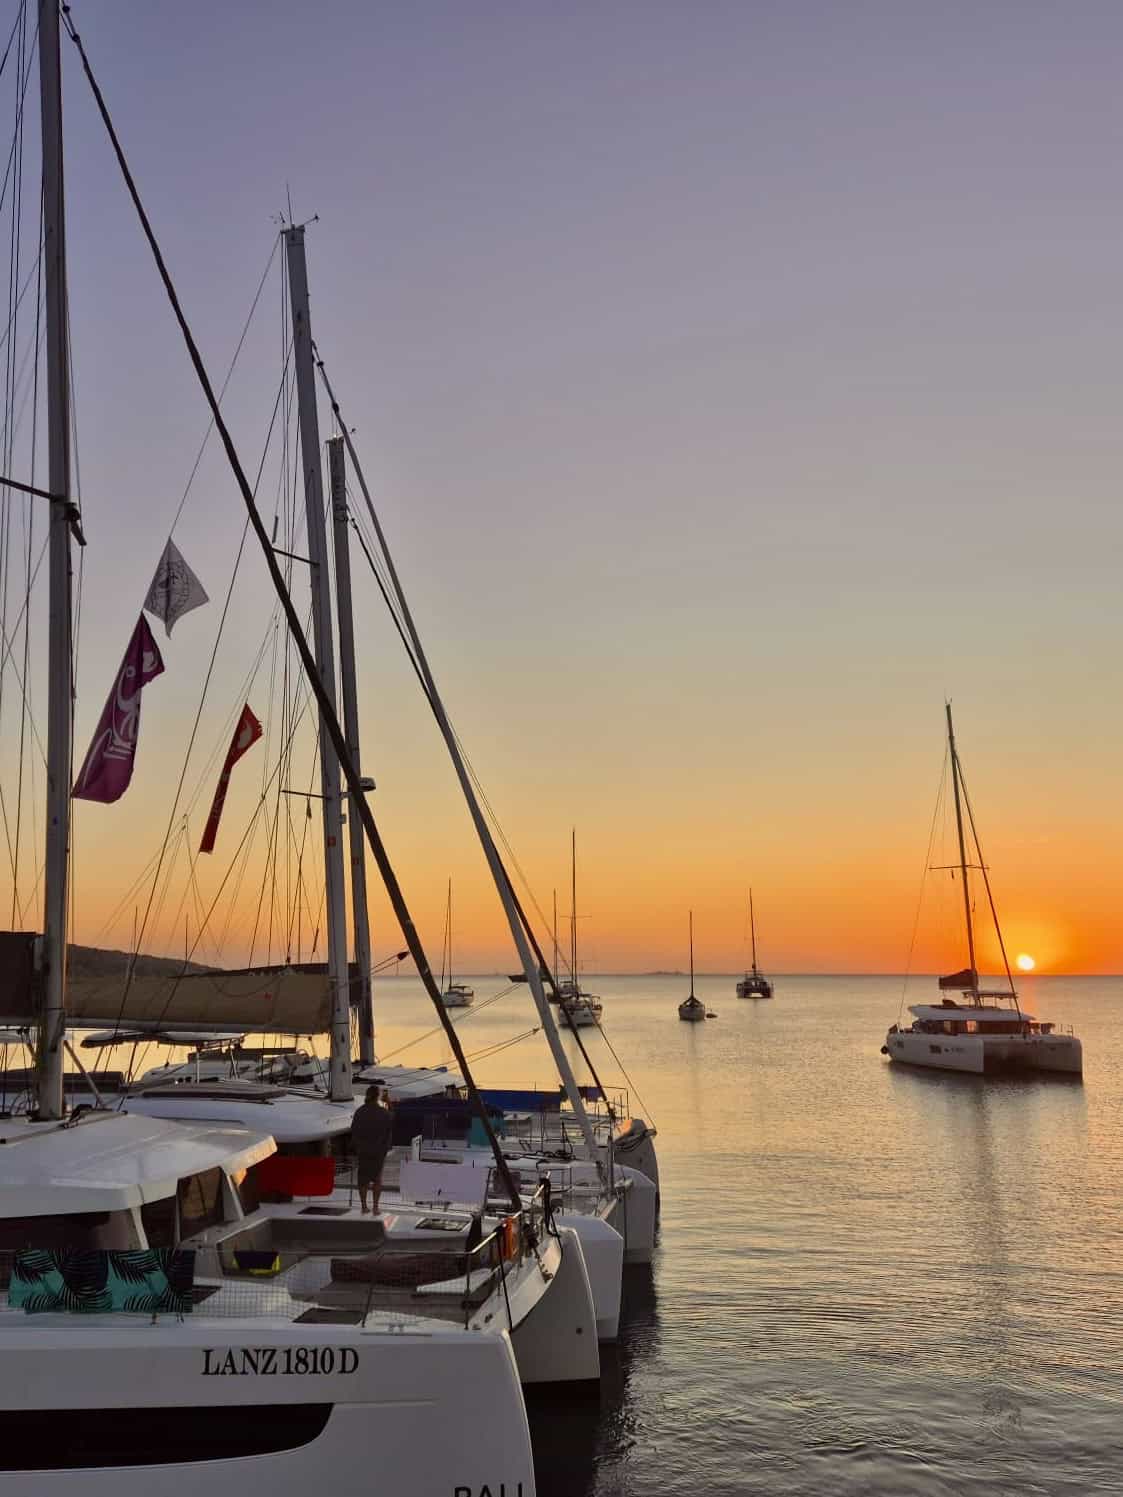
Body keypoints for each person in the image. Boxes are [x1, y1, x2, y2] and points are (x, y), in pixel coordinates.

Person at [351, 1084, 393, 1214]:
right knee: (377, 1178)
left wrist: (358, 1146)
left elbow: (354, 1130)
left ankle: (364, 1206)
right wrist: (388, 1102)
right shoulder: (383, 1113)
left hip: (363, 1150)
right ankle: (375, 1207)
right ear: (378, 1096)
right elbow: (390, 1126)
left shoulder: (359, 1111)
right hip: (378, 1150)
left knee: (362, 1179)